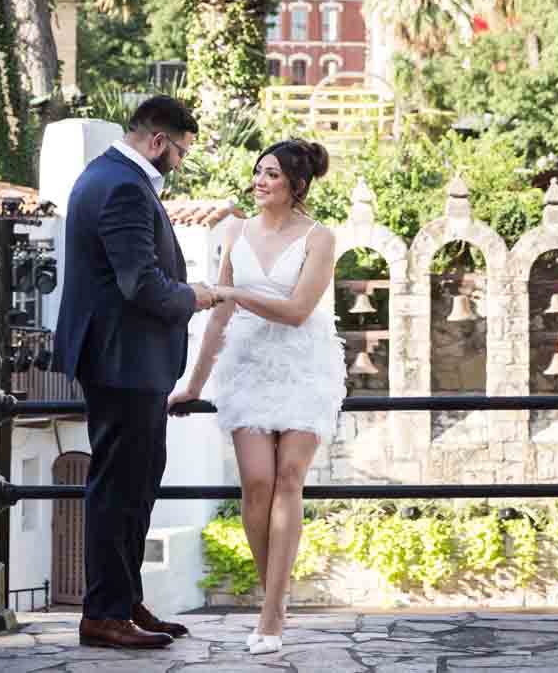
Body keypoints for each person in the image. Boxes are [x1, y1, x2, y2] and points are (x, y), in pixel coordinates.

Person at [51, 96, 219, 651]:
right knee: (119, 488)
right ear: (157, 142)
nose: (180, 161)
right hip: (122, 362)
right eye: (180, 151)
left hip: (128, 361)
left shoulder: (107, 175)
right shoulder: (123, 184)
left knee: (137, 483)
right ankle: (103, 612)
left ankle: (123, 600)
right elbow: (140, 282)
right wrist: (194, 296)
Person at [170, 139, 344, 656]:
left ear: (297, 185)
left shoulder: (319, 237)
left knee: (290, 478)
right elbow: (219, 317)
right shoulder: (234, 232)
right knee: (257, 482)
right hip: (246, 366)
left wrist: (234, 293)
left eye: (272, 175)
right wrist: (195, 384)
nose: (261, 181)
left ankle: (270, 613)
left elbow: (295, 310)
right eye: (259, 171)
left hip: (303, 365)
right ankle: (276, 597)